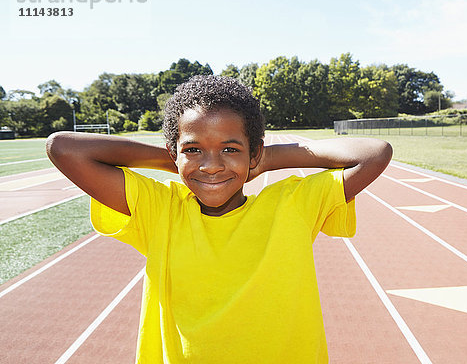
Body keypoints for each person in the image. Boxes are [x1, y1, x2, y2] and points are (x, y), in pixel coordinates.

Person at [46, 75, 392, 363]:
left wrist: (265, 160)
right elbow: (63, 148)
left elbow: (375, 154)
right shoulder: (161, 209)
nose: (211, 165)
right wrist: (177, 161)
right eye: (193, 149)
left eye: (230, 149)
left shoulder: (293, 204)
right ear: (175, 152)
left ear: (253, 151)